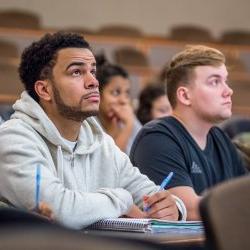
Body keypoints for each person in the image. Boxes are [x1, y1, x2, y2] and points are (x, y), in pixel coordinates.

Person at [0, 32, 186, 230]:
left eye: (93, 72)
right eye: (77, 72)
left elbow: (149, 193)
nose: (93, 82)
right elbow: (59, 210)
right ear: (44, 90)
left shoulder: (101, 143)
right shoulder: (13, 139)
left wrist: (173, 207)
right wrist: (121, 199)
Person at [130, 45, 246, 221]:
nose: (228, 91)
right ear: (184, 96)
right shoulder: (156, 138)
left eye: (225, 81)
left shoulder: (221, 139)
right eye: (215, 81)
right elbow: (190, 210)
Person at [96, 55, 141, 154]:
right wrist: (128, 126)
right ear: (98, 94)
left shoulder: (129, 118)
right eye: (116, 92)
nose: (123, 100)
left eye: (127, 93)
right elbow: (109, 163)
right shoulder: (89, 124)